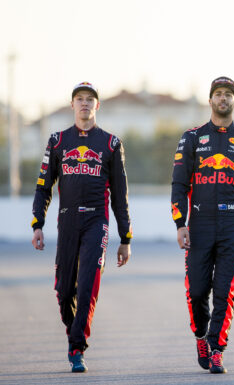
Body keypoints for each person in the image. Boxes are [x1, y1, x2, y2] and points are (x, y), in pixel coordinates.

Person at [31, 82, 133, 373]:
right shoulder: (57, 140)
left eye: (90, 99)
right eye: (80, 99)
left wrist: (125, 237)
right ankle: (73, 327)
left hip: (96, 221)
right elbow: (43, 186)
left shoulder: (111, 144)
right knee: (65, 291)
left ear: (97, 106)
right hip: (67, 220)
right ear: (72, 105)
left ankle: (77, 347)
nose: (85, 104)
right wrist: (38, 223)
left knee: (87, 284)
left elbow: (120, 194)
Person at [171, 76, 234, 374]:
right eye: (218, 94)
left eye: (228, 94)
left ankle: (216, 350)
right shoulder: (192, 138)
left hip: (232, 226)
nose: (223, 99)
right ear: (210, 100)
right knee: (198, 291)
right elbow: (179, 183)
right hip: (198, 225)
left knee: (225, 292)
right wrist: (179, 223)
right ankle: (201, 335)